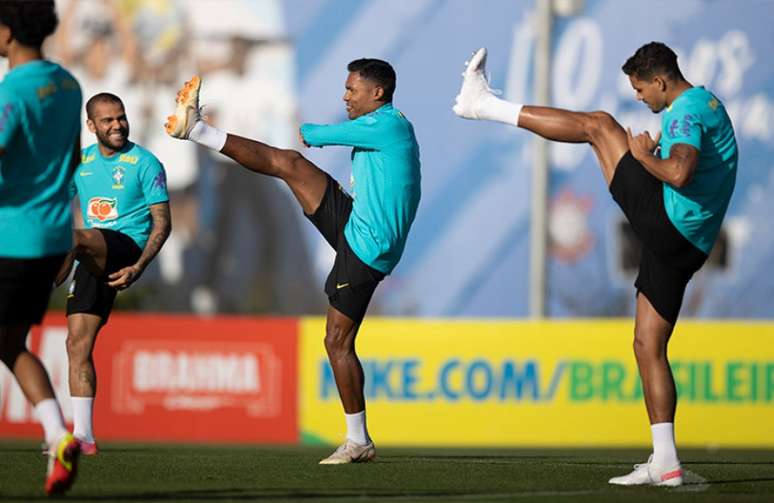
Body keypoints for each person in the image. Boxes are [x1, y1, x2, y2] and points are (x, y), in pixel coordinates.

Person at [453, 43, 736, 487]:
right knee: (647, 346)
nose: (640, 98)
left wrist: (643, 157)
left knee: (599, 126)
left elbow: (680, 172)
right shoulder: (706, 102)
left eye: (642, 90)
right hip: (688, 244)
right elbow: (694, 166)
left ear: (661, 82)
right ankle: (666, 461)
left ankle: (483, 105)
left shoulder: (685, 110)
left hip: (670, 225)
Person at [165, 58, 421, 464]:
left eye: (352, 90)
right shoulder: (386, 123)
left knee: (337, 342)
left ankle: (358, 440)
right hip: (358, 223)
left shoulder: (385, 125)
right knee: (289, 164)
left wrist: (297, 123)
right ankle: (196, 128)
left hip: (368, 248)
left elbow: (312, 134)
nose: (345, 96)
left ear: (377, 93)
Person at [0, 0, 83, 495]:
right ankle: (58, 436)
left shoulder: (16, 89)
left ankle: (57, 433)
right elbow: (71, 154)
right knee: (9, 343)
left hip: (12, 234)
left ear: (7, 32)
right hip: (51, 236)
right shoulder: (68, 83)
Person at [59, 92, 170, 455]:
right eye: (107, 120)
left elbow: (162, 224)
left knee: (80, 236)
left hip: (126, 247)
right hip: (90, 255)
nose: (117, 125)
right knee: (76, 344)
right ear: (91, 126)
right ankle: (84, 437)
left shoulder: (145, 163)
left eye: (120, 117)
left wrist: (139, 266)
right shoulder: (81, 163)